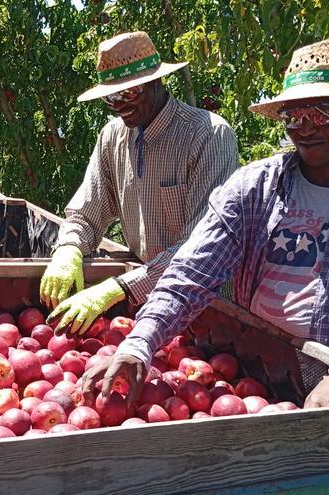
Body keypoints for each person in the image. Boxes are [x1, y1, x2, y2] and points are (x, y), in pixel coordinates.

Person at [83, 38, 329, 410]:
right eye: (293, 115)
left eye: (322, 112)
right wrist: (140, 342)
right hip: (251, 384)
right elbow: (189, 276)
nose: (305, 127)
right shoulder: (253, 188)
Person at [40, 31, 239, 334]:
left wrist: (117, 288)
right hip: (144, 300)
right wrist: (68, 248)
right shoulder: (112, 138)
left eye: (128, 93)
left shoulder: (208, 136)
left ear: (157, 81)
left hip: (205, 303)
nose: (119, 105)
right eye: (110, 97)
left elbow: (201, 248)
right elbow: (86, 215)